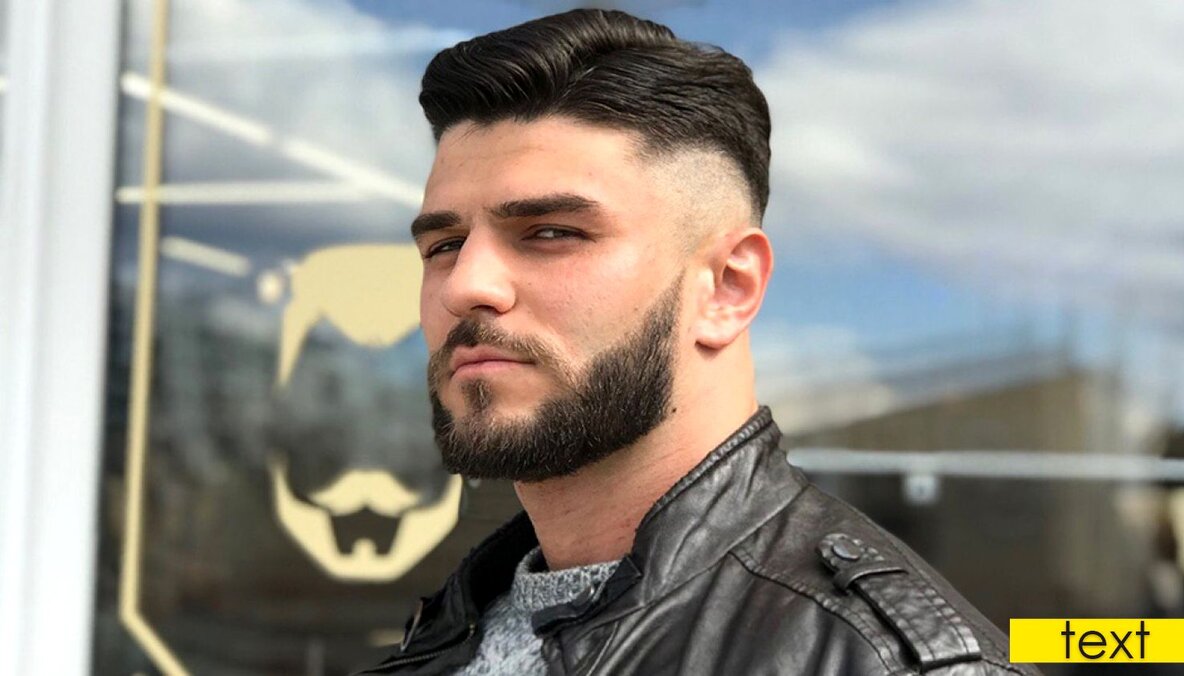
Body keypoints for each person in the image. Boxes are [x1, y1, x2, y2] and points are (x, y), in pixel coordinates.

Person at [359, 9, 1036, 675]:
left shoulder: (887, 663)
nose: (465, 285)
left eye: (551, 233)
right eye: (444, 245)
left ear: (727, 288)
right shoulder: (460, 626)